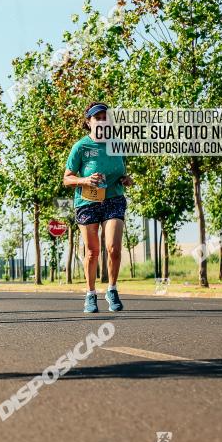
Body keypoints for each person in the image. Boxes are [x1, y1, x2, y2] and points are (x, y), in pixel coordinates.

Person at [63, 102, 134, 313]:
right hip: (87, 202)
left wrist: (126, 179)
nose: (103, 120)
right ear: (89, 122)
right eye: (98, 117)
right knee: (93, 251)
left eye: (106, 117)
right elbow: (67, 179)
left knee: (113, 247)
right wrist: (85, 180)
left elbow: (120, 171)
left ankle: (112, 289)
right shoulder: (81, 147)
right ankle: (90, 294)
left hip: (113, 199)